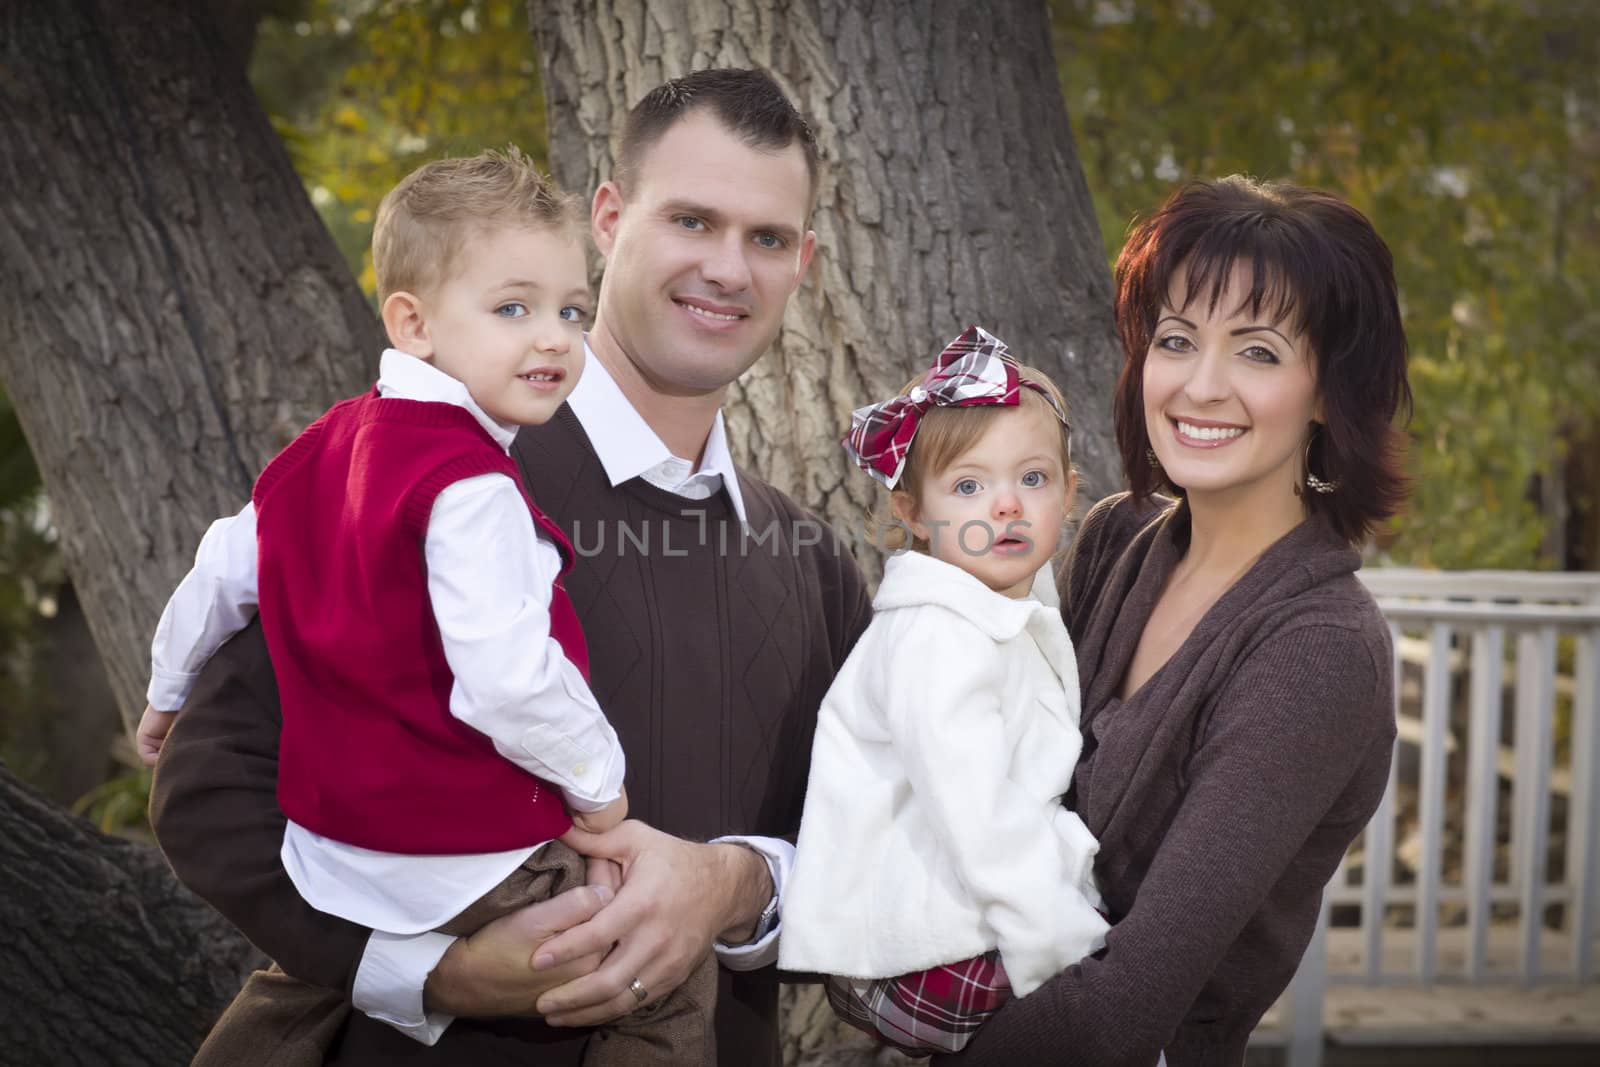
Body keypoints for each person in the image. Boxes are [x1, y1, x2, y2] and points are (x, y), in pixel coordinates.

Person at [149, 68, 873, 1066]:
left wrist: (733, 885)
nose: (726, 268)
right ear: (609, 219)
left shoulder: (813, 565)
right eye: (692, 219)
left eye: (768, 239)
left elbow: (884, 864)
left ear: (803, 265)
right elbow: (207, 785)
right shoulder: (431, 479)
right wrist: (429, 972)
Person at [941, 176, 1410, 1066]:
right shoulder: (1116, 539)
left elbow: (1130, 1004)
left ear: (1327, 390)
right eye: (1177, 340)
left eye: (1259, 352)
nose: (1202, 385)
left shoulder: (1319, 650)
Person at [778, 325, 1109, 1056]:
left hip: (953, 922)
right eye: (968, 485)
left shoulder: (1005, 604)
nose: (1007, 505)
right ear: (912, 512)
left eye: (1033, 478)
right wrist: (1060, 934)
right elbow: (976, 809)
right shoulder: (937, 633)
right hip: (921, 953)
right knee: (1115, 1001)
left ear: (1067, 492)